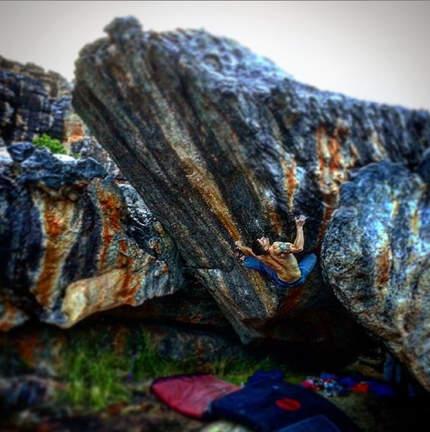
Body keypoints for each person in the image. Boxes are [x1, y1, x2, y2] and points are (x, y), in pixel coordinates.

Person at [234, 215, 316, 288]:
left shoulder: (260, 256)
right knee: (313, 256)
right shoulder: (276, 247)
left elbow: (250, 251)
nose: (262, 237)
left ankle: (244, 259)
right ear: (266, 248)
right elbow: (299, 248)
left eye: (260, 239)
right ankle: (245, 259)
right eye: (262, 241)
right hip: (299, 280)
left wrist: (240, 247)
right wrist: (299, 227)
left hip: (282, 283)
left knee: (262, 265)